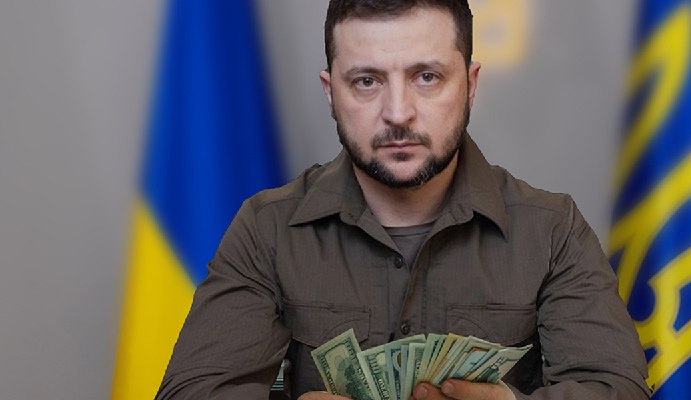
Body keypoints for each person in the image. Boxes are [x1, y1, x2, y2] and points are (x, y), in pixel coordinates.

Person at [156, 1, 651, 399]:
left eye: (426, 77)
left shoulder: (552, 229)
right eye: (366, 81)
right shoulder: (266, 229)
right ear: (330, 93)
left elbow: (619, 390)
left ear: (470, 85)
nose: (398, 112)